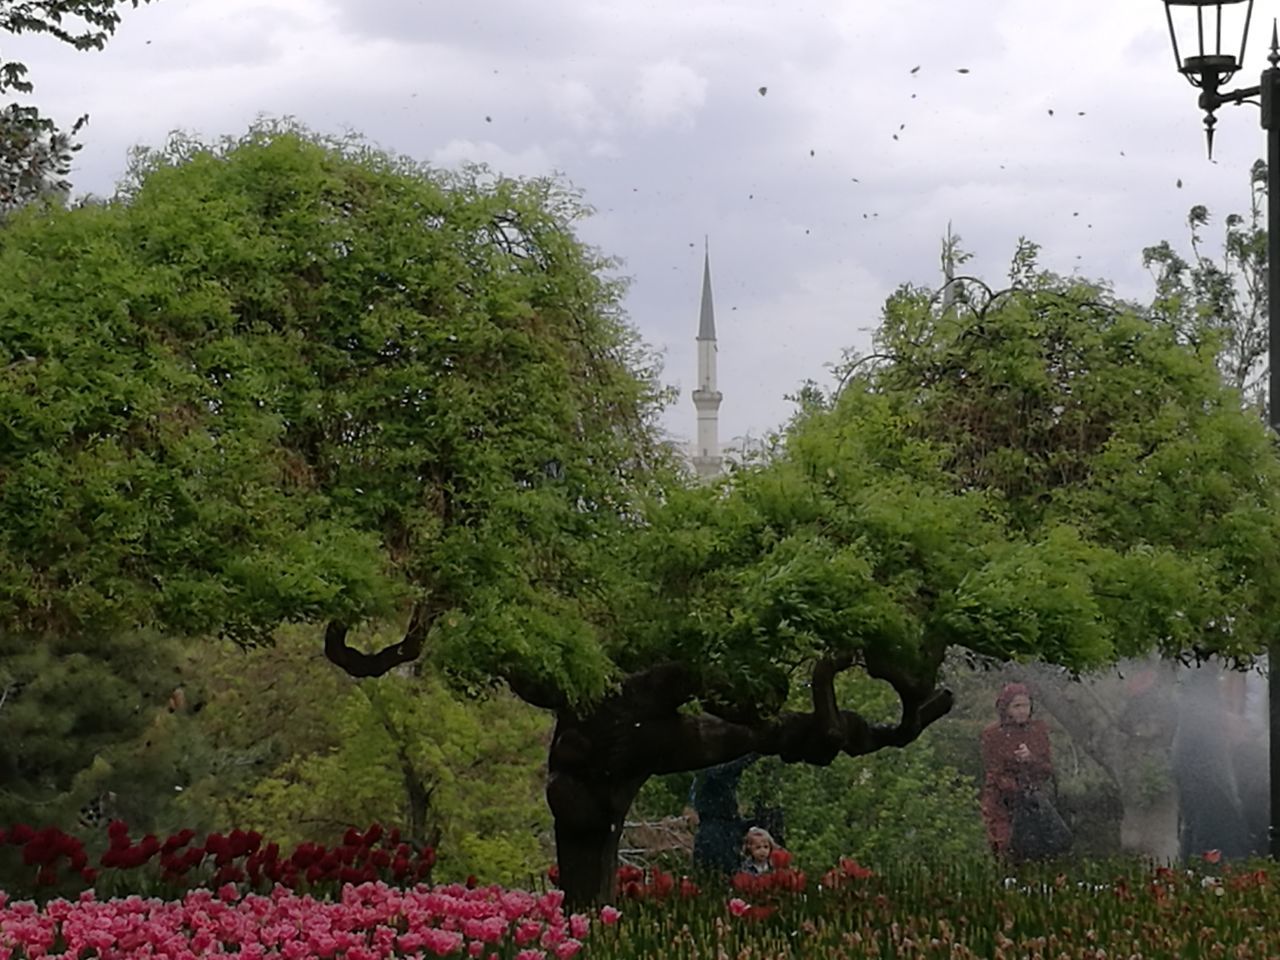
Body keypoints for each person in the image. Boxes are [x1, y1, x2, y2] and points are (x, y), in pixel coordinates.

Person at [980, 682, 1067, 862]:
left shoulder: (1037, 730)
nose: (1022, 711)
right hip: (1001, 801)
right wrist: (1010, 787)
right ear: (1006, 708)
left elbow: (1047, 769)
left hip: (1032, 800)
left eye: (1025, 705)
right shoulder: (993, 734)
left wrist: (1030, 759)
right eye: (1016, 706)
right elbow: (994, 770)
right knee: (1005, 847)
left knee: (1042, 848)